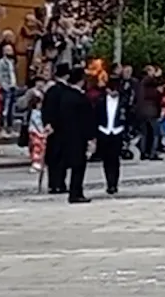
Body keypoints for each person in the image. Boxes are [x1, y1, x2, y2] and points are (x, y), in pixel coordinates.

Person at [40, 67, 95, 204]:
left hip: (64, 134)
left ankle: (61, 185)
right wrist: (91, 137)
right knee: (78, 166)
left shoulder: (64, 95)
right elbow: (87, 119)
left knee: (62, 161)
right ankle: (75, 192)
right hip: (77, 136)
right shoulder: (79, 98)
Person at [93, 76, 128, 196]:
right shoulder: (100, 101)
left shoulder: (124, 101)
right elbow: (96, 117)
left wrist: (125, 131)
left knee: (115, 160)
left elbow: (129, 117)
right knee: (106, 160)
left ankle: (114, 184)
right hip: (104, 131)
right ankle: (108, 182)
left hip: (117, 131)